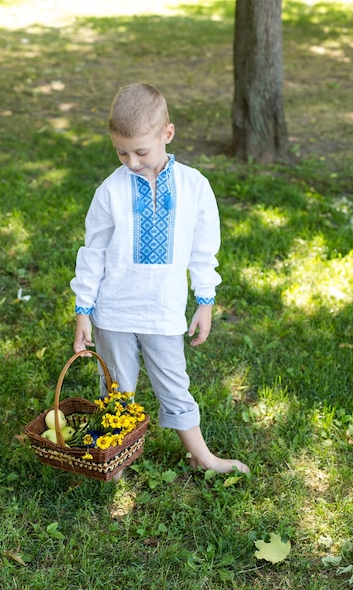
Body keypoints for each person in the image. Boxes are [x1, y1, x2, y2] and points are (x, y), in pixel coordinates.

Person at [70, 83, 250, 475]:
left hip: (164, 312)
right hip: (113, 312)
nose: (131, 162)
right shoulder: (110, 191)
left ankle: (202, 456)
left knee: (174, 384)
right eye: (121, 152)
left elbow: (204, 249)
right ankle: (113, 457)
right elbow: (93, 253)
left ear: (167, 134)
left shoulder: (194, 187)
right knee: (117, 389)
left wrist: (205, 300)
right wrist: (84, 310)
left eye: (141, 151)